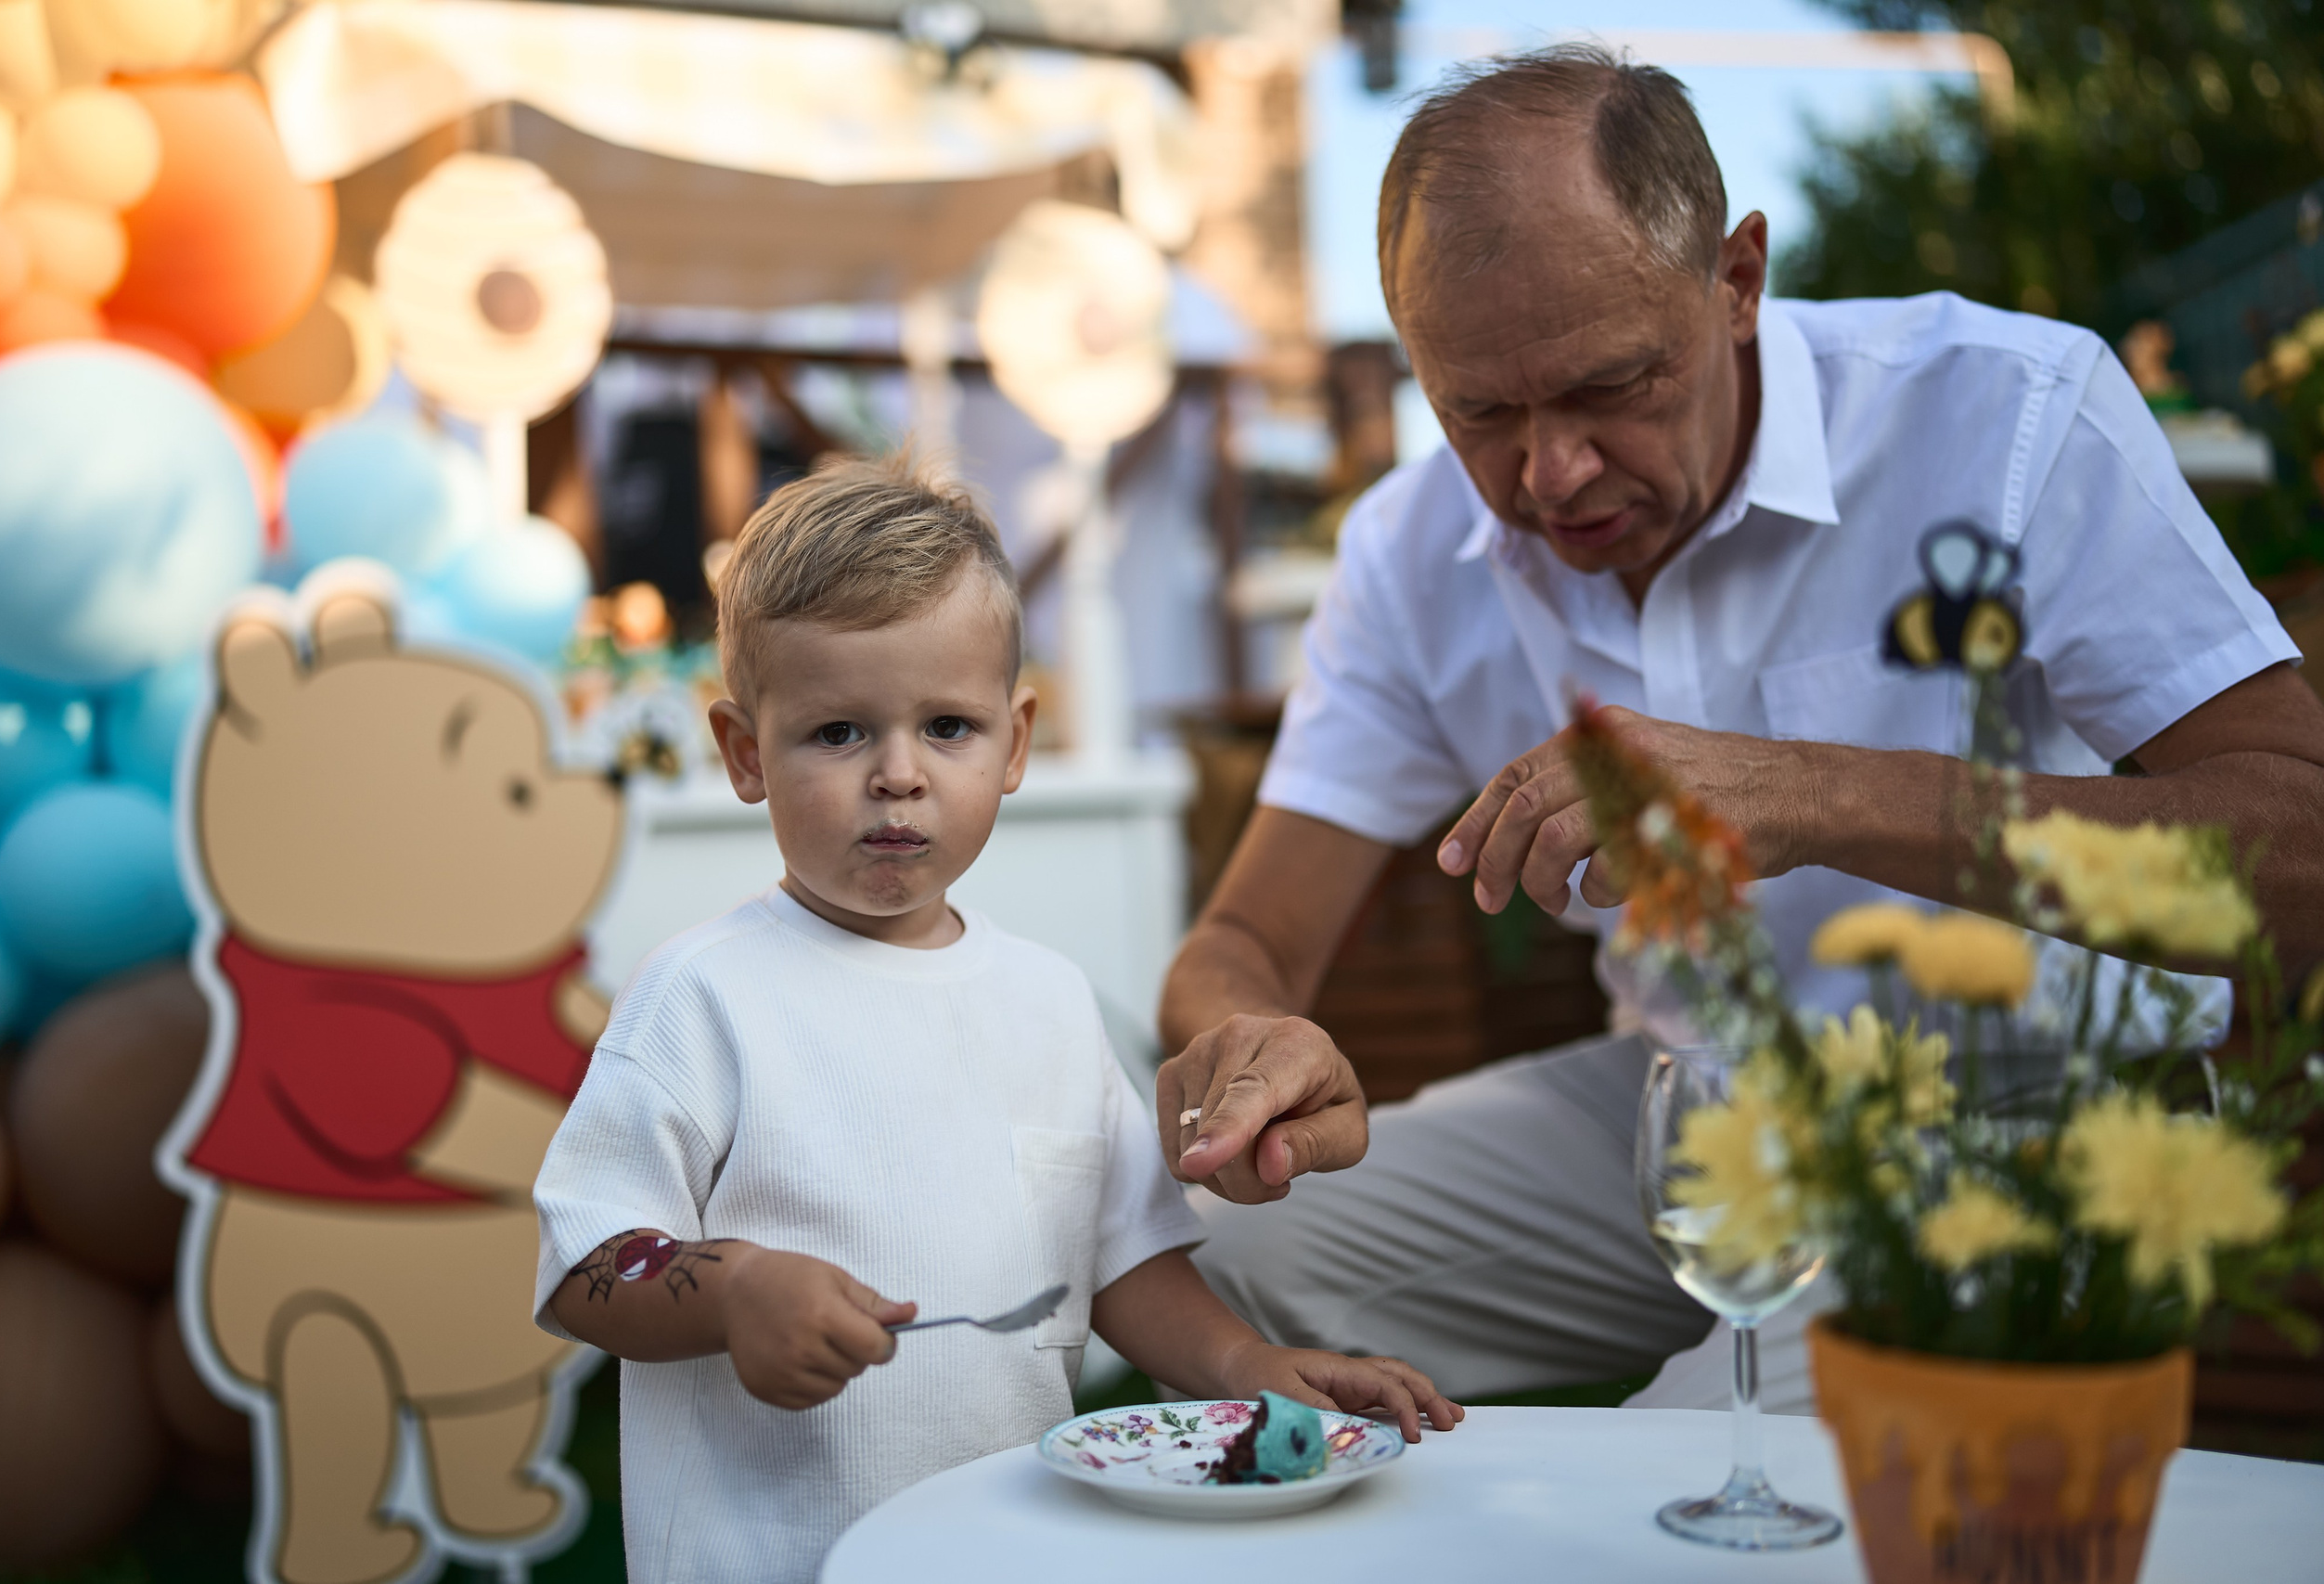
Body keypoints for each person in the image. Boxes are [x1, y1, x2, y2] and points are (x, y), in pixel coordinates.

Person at [1157, 46, 2324, 1411]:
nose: (1550, 472)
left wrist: (1811, 793)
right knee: (1198, 1259)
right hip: (1683, 1099)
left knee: (1701, 1453)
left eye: (1611, 384)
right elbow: (1241, 943)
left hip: (2034, 1106)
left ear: (1737, 278)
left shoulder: (2004, 413)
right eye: (1477, 410)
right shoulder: (1409, 550)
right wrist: (1247, 1048)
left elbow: (2300, 852)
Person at [529, 459, 1460, 1584]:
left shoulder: (1051, 1002)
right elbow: (584, 1262)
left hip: (1010, 1552)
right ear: (743, 753)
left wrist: (1244, 1365)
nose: (898, 775)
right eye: (837, 732)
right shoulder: (700, 999)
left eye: (948, 727)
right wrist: (730, 1294)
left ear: (1014, 744)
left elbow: (1122, 1255)